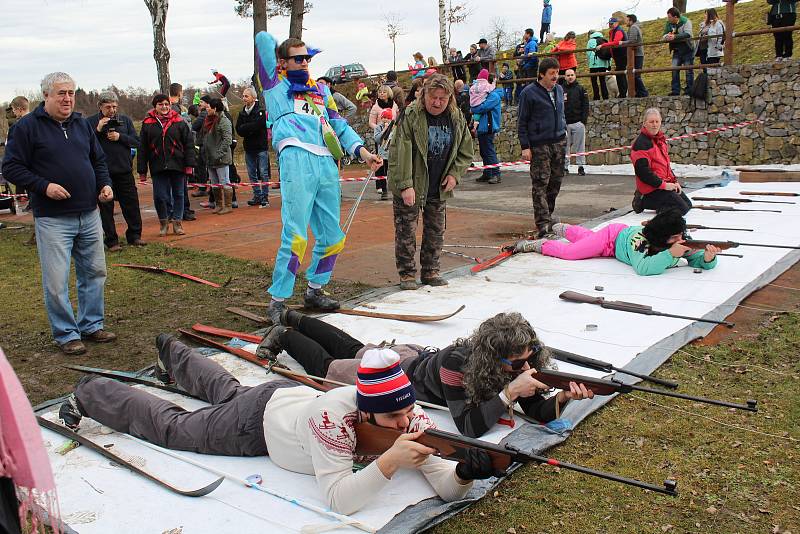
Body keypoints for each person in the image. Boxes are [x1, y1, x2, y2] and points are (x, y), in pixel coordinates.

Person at [58, 336, 495, 515]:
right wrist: (389, 462)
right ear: (367, 409)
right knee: (176, 428)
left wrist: (463, 473)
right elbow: (338, 500)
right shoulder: (336, 417)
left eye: (407, 413)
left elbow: (444, 483)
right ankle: (92, 391)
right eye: (394, 418)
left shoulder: (406, 415)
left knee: (226, 390)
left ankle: (172, 351)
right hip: (254, 428)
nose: (405, 424)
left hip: (281, 402)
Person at [257, 311, 594, 438]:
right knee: (329, 366)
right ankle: (284, 333)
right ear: (494, 357)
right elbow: (468, 427)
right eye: (516, 362)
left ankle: (294, 316)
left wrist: (561, 397)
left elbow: (537, 411)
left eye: (531, 356)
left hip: (414, 354)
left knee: (353, 347)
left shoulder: (515, 363)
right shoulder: (458, 366)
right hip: (400, 374)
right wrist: (509, 394)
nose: (525, 365)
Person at [255, 33, 382, 323]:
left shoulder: (321, 92)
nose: (304, 63)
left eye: (308, 59)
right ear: (283, 63)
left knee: (333, 236)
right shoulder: (276, 86)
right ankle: (278, 299)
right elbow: (262, 40)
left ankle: (315, 289)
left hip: (326, 162)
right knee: (296, 236)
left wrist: (363, 152)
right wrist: (277, 55)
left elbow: (339, 125)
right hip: (296, 159)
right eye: (298, 58)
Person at [2, 72, 116, 355]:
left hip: (89, 213)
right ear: (46, 96)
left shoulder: (81, 124)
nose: (67, 98)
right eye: (61, 93)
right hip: (53, 218)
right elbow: (11, 167)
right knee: (56, 281)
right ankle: (66, 333)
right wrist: (44, 186)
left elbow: (97, 159)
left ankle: (91, 324)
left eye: (71, 92)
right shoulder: (27, 127)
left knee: (95, 272)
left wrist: (104, 184)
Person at [389, 73, 474, 290]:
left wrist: (455, 174)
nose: (436, 103)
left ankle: (431, 270)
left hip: (438, 185)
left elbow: (466, 151)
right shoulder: (410, 116)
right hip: (412, 184)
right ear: (424, 95)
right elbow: (400, 151)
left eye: (442, 99)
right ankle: (407, 274)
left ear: (449, 99)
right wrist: (406, 185)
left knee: (435, 230)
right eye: (433, 98)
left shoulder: (456, 118)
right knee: (406, 231)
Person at [512, 209, 719, 276]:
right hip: (612, 237)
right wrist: (670, 254)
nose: (680, 241)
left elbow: (695, 258)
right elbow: (643, 268)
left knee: (586, 240)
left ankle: (562, 228)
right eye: (673, 238)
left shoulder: (681, 240)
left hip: (614, 249)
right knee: (572, 253)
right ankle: (539, 245)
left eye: (680, 236)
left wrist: (707, 259)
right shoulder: (642, 240)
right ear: (661, 236)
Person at [86, 91, 144, 250]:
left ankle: (135, 236)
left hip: (124, 170)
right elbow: (84, 145)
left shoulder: (124, 121)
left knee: (131, 205)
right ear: (100, 106)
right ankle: (111, 241)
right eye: (108, 107)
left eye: (114, 107)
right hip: (103, 173)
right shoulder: (89, 122)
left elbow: (136, 142)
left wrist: (120, 137)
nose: (112, 110)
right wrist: (97, 130)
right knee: (106, 208)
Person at [518, 57, 567, 238]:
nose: (555, 76)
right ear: (541, 74)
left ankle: (550, 215)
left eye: (557, 72)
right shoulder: (529, 93)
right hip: (539, 145)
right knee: (540, 184)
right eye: (551, 73)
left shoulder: (560, 90)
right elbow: (522, 121)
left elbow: (561, 114)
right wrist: (525, 146)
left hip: (559, 142)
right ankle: (542, 223)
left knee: (556, 181)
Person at [138, 94, 195, 236]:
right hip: (158, 165)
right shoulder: (147, 123)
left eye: (166, 104)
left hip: (178, 164)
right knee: (159, 196)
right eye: (160, 104)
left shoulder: (179, 121)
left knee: (179, 194)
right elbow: (143, 148)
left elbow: (188, 144)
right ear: (155, 106)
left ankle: (177, 223)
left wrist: (189, 165)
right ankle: (163, 222)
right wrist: (142, 170)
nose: (164, 107)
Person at [630, 108, 692, 215]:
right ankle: (642, 201)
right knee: (682, 208)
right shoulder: (641, 144)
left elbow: (666, 166)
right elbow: (643, 172)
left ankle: (662, 207)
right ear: (645, 123)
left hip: (664, 184)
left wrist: (674, 181)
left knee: (688, 204)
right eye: (651, 122)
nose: (654, 125)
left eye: (657, 121)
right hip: (652, 188)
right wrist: (664, 185)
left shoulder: (660, 140)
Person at [236, 87, 271, 208]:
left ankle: (265, 197)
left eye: (246, 96)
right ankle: (257, 196)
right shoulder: (242, 112)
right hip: (249, 147)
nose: (244, 98)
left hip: (261, 147)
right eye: (243, 96)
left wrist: (247, 128)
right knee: (252, 174)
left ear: (253, 97)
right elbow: (239, 129)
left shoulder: (260, 110)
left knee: (263, 172)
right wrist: (249, 128)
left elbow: (258, 125)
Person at [168, 82, 196, 221]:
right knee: (179, 185)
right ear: (179, 93)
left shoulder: (177, 108)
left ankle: (182, 209)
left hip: (178, 150)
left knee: (179, 184)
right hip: (178, 150)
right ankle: (181, 210)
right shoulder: (175, 109)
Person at [202, 98, 233, 215]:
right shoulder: (208, 120)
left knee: (225, 181)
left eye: (208, 107)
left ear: (215, 108)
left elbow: (227, 140)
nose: (206, 109)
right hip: (210, 158)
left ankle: (228, 205)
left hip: (221, 158)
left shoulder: (224, 121)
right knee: (214, 182)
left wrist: (218, 154)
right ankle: (219, 204)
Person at [471, 74, 503, 185]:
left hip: (489, 126)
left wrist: (473, 107)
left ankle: (496, 173)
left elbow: (482, 107)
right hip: (483, 127)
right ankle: (488, 172)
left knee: (489, 151)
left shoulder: (493, 96)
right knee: (484, 151)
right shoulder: (487, 95)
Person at [5, 97, 31, 211]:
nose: (13, 113)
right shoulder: (39, 122)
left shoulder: (18, 126)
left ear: (19, 109)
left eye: (14, 110)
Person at [663, 7, 695, 96]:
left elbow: (688, 34)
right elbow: (664, 34)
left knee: (688, 70)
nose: (668, 19)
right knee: (674, 69)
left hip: (687, 49)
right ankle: (675, 91)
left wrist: (675, 37)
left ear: (675, 17)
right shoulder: (668, 23)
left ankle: (689, 90)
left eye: (669, 17)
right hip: (676, 50)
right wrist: (667, 36)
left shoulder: (686, 21)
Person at [562, 70, 589, 176]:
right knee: (565, 146)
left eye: (572, 75)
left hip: (578, 122)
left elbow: (585, 106)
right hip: (565, 124)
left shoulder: (581, 89)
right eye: (568, 75)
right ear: (564, 77)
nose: (570, 77)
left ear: (575, 76)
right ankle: (565, 167)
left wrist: (583, 121)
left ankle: (580, 166)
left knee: (580, 146)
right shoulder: (561, 89)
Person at [623, 14, 649, 97]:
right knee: (635, 74)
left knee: (636, 75)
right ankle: (639, 92)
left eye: (627, 20)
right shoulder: (634, 27)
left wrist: (622, 42)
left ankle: (643, 93)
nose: (625, 22)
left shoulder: (633, 28)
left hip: (637, 54)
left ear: (631, 21)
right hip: (636, 54)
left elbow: (632, 41)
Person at [602, 17, 628, 98]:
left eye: (612, 24)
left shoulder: (618, 31)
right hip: (618, 55)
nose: (610, 25)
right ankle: (623, 92)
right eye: (609, 24)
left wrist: (603, 45)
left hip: (622, 55)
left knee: (620, 73)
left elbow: (615, 42)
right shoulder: (613, 31)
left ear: (617, 23)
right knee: (620, 73)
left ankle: (623, 93)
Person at [373, 108, 394, 200]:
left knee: (392, 173)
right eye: (384, 117)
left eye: (387, 118)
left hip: (391, 155)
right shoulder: (378, 127)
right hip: (381, 155)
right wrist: (384, 130)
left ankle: (394, 190)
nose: (385, 120)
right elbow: (377, 139)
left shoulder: (394, 128)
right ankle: (384, 191)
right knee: (381, 173)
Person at [587, 31, 610, 100]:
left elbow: (588, 53)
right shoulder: (604, 40)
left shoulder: (590, 41)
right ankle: (605, 96)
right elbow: (609, 52)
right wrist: (608, 64)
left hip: (593, 64)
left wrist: (590, 62)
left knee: (594, 80)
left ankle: (596, 96)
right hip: (603, 63)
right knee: (602, 80)